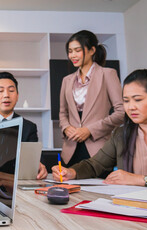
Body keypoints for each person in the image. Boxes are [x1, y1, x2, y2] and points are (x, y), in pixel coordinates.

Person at [53, 69, 147, 188]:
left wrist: (142, 180)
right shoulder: (120, 134)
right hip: (129, 203)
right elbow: (94, 165)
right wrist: (71, 172)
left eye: (138, 100)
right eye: (126, 101)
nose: (131, 107)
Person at [59, 30, 125, 170]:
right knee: (69, 190)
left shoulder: (107, 74)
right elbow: (62, 113)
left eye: (77, 50)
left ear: (92, 50)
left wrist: (90, 130)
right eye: (70, 51)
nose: (73, 55)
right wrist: (66, 128)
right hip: (70, 149)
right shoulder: (67, 80)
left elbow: (122, 112)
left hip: (98, 149)